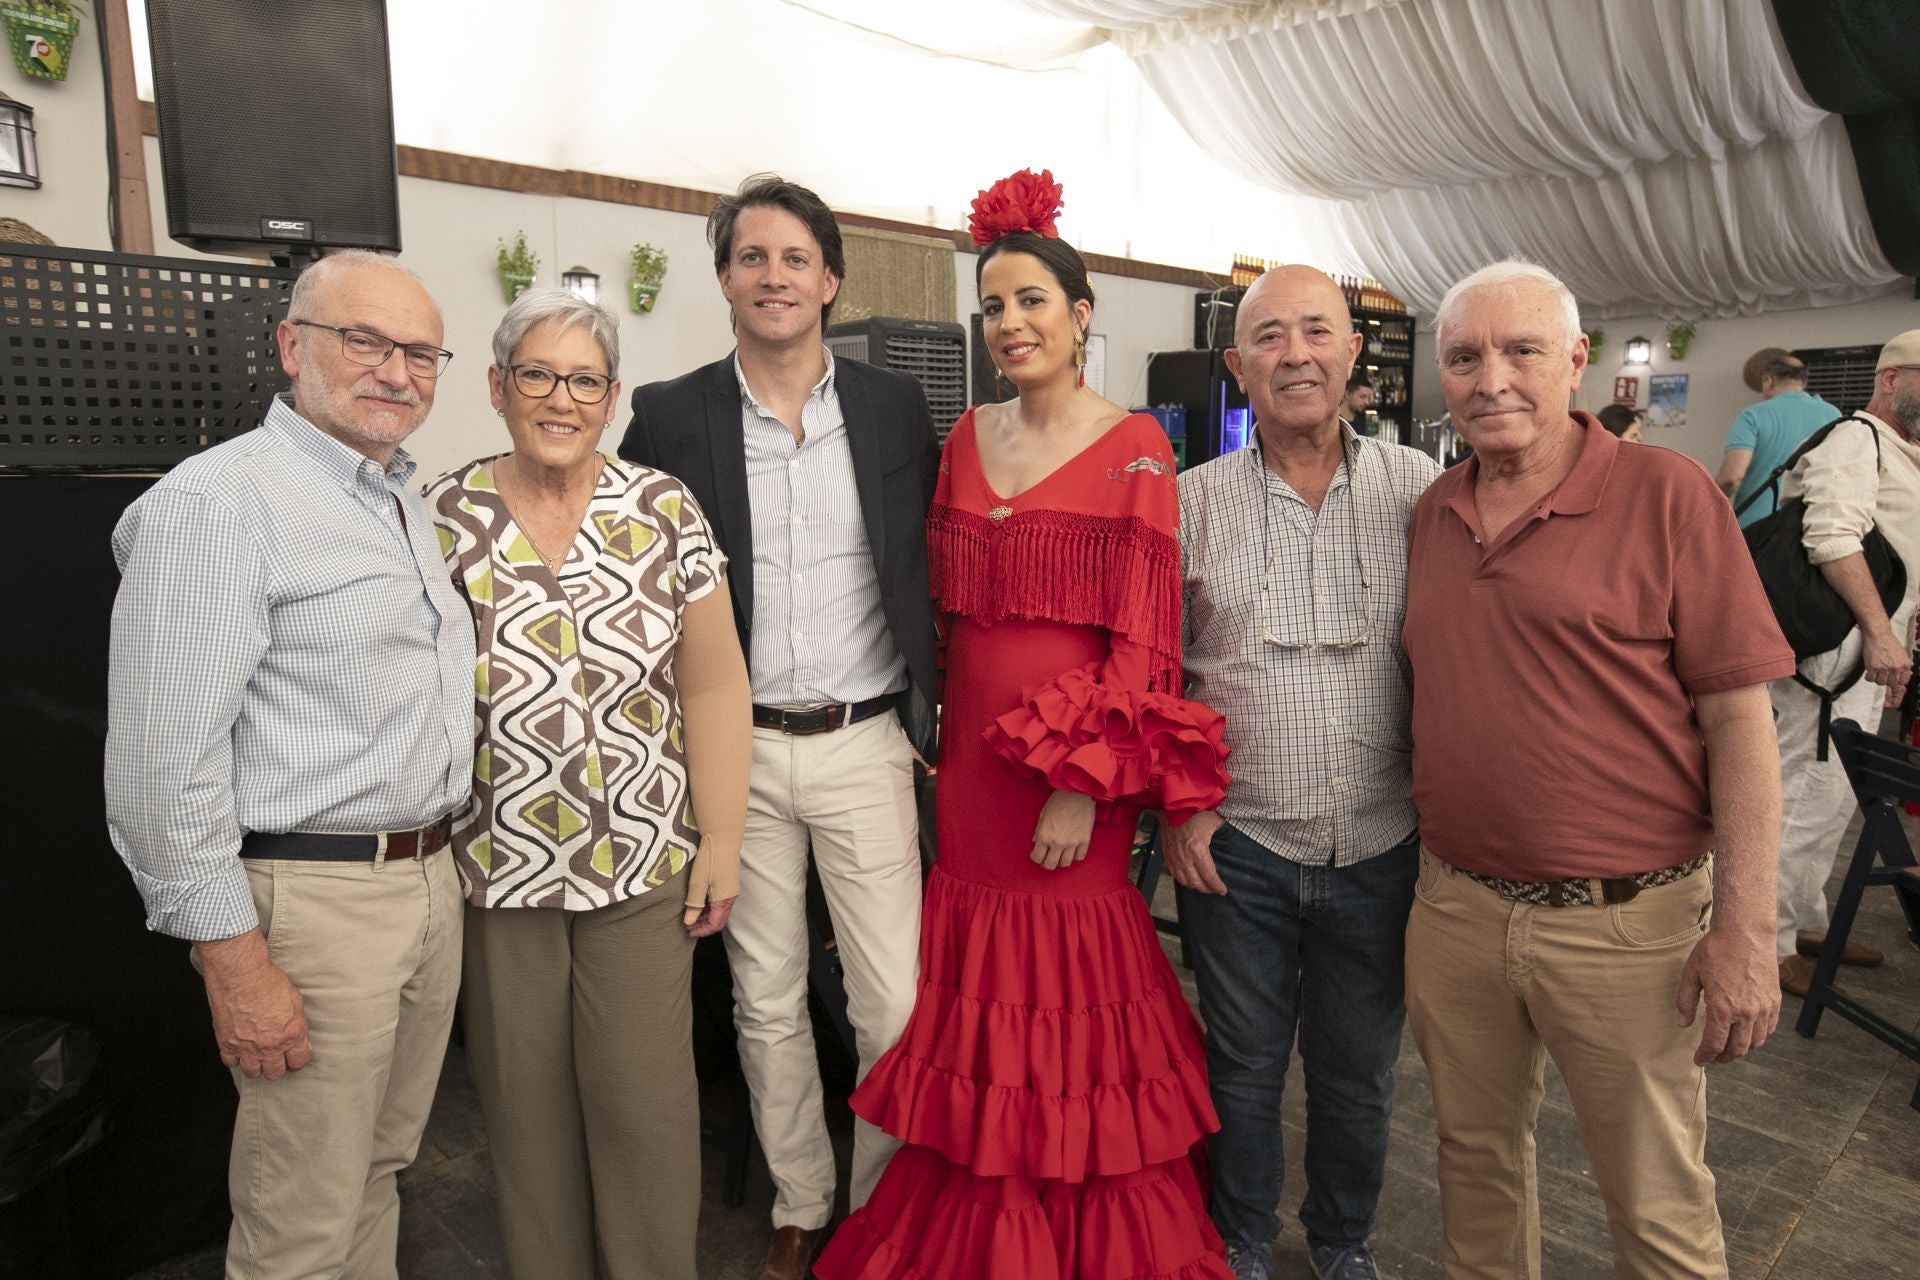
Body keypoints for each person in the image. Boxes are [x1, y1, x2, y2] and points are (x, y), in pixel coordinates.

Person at [816, 168, 1235, 1280]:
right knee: (972, 988)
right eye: (993, 306)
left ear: (1081, 313)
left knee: (1067, 987)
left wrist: (1081, 785)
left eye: (1031, 301)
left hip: (1068, 779)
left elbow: (1145, 643)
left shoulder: (1137, 446)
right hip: (967, 772)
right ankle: (980, 1224)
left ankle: (1066, 1236)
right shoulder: (962, 438)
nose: (1009, 323)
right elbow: (937, 609)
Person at [1402, 260, 1794, 1278]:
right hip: (1455, 913)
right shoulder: (1433, 511)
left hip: (1630, 927)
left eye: (1521, 350)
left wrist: (1748, 927)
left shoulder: (1666, 496)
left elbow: (1742, 722)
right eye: (1465, 356)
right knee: (1473, 1168)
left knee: (1657, 1205)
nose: (1492, 378)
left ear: (1576, 361)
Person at [105, 250, 472, 1279]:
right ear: (291, 345)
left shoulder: (399, 498)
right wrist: (234, 961)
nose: (395, 371)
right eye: (365, 340)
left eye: (419, 352)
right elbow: (162, 761)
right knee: (299, 1216)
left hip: (422, 880)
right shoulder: (221, 500)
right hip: (313, 899)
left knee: (378, 1169)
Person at [617, 174, 940, 1280]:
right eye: (751, 257)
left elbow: (927, 557)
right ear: (722, 279)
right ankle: (800, 1197)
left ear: (831, 279)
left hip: (864, 736)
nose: (774, 275)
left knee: (892, 997)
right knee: (764, 992)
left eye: (795, 258)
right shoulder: (669, 413)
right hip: (734, 748)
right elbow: (633, 568)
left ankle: (885, 1202)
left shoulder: (896, 408)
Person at [424, 289, 751, 1278]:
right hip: (497, 868)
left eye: (583, 380)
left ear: (610, 398)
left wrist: (723, 841)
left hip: (646, 864)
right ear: (496, 386)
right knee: (524, 1117)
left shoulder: (661, 508)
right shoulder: (442, 514)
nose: (559, 398)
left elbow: (713, 679)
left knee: (646, 1108)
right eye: (536, 374)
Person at [1167, 266, 1439, 1280]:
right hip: (1238, 846)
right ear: (1237, 366)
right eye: (1270, 337)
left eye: (1316, 331)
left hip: (1383, 842)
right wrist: (1184, 807)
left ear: (1352, 355)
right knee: (1238, 1068)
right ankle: (1239, 1240)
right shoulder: (1190, 502)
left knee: (1360, 1072)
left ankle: (1342, 1240)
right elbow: (1160, 672)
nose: (1296, 354)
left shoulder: (1421, 490)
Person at [1771, 329, 1920, 996]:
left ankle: (1806, 921)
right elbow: (1831, 538)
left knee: (1831, 801)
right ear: (1890, 379)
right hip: (1832, 661)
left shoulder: (1902, 453)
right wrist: (1881, 638)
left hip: (1866, 660)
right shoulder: (1855, 440)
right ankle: (1766, 941)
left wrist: (1896, 645)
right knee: (1804, 793)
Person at [1718, 352, 1838, 525]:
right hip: (1812, 522)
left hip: (1756, 526)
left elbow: (1731, 477)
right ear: (1803, 383)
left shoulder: (1752, 415)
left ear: (1769, 381)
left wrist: (1707, 506)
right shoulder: (1833, 414)